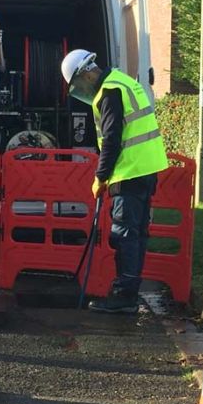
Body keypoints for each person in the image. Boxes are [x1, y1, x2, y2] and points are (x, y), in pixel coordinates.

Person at [61, 49, 169, 314]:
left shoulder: (109, 92)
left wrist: (100, 177)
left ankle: (125, 296)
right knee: (137, 234)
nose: (82, 90)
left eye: (79, 85)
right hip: (146, 169)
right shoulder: (123, 81)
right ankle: (129, 290)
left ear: (86, 73)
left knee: (124, 234)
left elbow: (111, 138)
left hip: (129, 171)